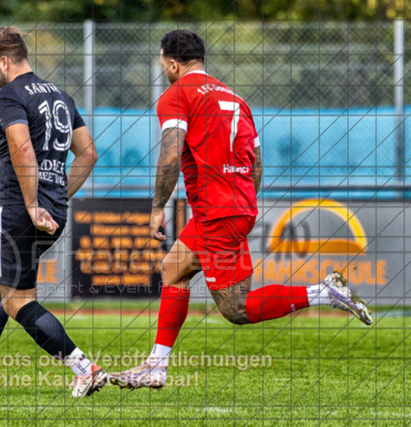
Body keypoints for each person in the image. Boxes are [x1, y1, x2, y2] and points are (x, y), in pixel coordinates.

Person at [109, 30, 373, 390]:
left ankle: (324, 292)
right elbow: (257, 163)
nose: (164, 71)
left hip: (217, 212)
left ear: (172, 64)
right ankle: (156, 366)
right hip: (231, 206)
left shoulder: (177, 95)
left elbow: (170, 153)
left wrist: (158, 207)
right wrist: (239, 201)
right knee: (173, 269)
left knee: (236, 309)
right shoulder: (235, 98)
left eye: (163, 65)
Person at [0, 26, 106, 397]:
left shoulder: (8, 95)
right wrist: (54, 197)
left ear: (4, 61)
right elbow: (88, 153)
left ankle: (84, 368)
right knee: (4, 282)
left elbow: (21, 149)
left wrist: (31, 204)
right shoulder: (60, 95)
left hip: (18, 207)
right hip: (53, 212)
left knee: (18, 301)